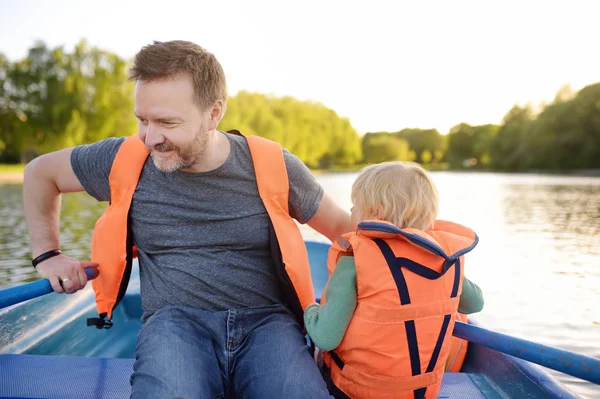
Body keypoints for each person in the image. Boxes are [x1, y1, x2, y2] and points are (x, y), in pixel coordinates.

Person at [22, 40, 353, 399]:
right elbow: (40, 174)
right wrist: (48, 255)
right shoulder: (121, 158)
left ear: (214, 114)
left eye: (166, 122)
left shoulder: (272, 165)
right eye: (142, 120)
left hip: (268, 322)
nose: (150, 137)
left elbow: (345, 231)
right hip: (174, 323)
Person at [304, 161, 484, 399]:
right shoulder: (445, 259)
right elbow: (475, 304)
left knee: (311, 348)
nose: (350, 210)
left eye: (355, 205)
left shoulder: (354, 261)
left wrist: (309, 309)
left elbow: (326, 337)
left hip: (353, 391)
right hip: (420, 393)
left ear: (376, 213)